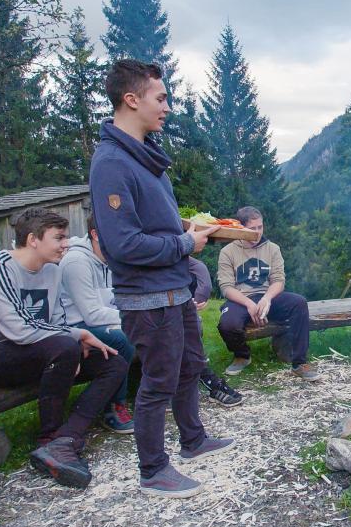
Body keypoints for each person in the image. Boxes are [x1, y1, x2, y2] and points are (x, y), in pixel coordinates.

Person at [89, 58, 232, 499]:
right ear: (131, 100)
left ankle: (192, 439)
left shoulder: (146, 159)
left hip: (174, 287)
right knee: (157, 382)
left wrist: (187, 230)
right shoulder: (112, 163)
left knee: (190, 365)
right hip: (147, 296)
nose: (168, 106)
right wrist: (186, 245)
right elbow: (124, 244)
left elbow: (155, 224)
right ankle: (153, 470)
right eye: (161, 97)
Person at [0, 208, 127, 489]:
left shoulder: (51, 271)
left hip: (39, 351)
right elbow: (19, 329)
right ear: (33, 239)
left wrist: (76, 336)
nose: (67, 243)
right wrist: (73, 338)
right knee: (65, 345)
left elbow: (57, 322)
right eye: (59, 237)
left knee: (114, 361)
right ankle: (48, 437)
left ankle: (67, 438)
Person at [217, 206, 318, 382]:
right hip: (241, 299)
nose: (257, 232)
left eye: (260, 227)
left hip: (267, 296)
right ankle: (242, 355)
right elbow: (226, 287)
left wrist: (267, 299)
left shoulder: (273, 248)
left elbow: (279, 280)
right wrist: (250, 305)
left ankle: (299, 363)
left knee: (299, 303)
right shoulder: (228, 252)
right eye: (252, 228)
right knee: (227, 323)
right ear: (240, 228)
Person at [59, 213, 136, 433]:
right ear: (95, 234)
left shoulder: (111, 258)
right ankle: (114, 406)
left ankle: (158, 390)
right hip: (76, 325)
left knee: (156, 326)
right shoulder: (76, 262)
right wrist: (132, 318)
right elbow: (91, 314)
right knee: (123, 339)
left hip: (104, 320)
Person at [187, 257, 246, 406]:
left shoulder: (174, 252)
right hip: (137, 314)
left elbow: (198, 268)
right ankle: (209, 381)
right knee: (181, 326)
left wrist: (196, 299)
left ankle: (206, 379)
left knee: (192, 322)